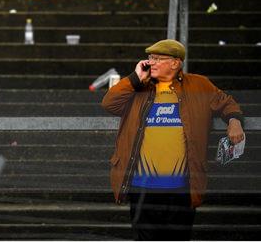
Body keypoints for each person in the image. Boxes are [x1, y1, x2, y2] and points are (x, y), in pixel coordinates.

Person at [101, 39, 245, 240]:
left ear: (175, 63)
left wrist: (234, 122)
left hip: (182, 188)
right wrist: (135, 77)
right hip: (142, 187)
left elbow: (226, 103)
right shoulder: (139, 87)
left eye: (157, 58)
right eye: (150, 58)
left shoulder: (199, 85)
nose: (150, 62)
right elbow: (109, 104)